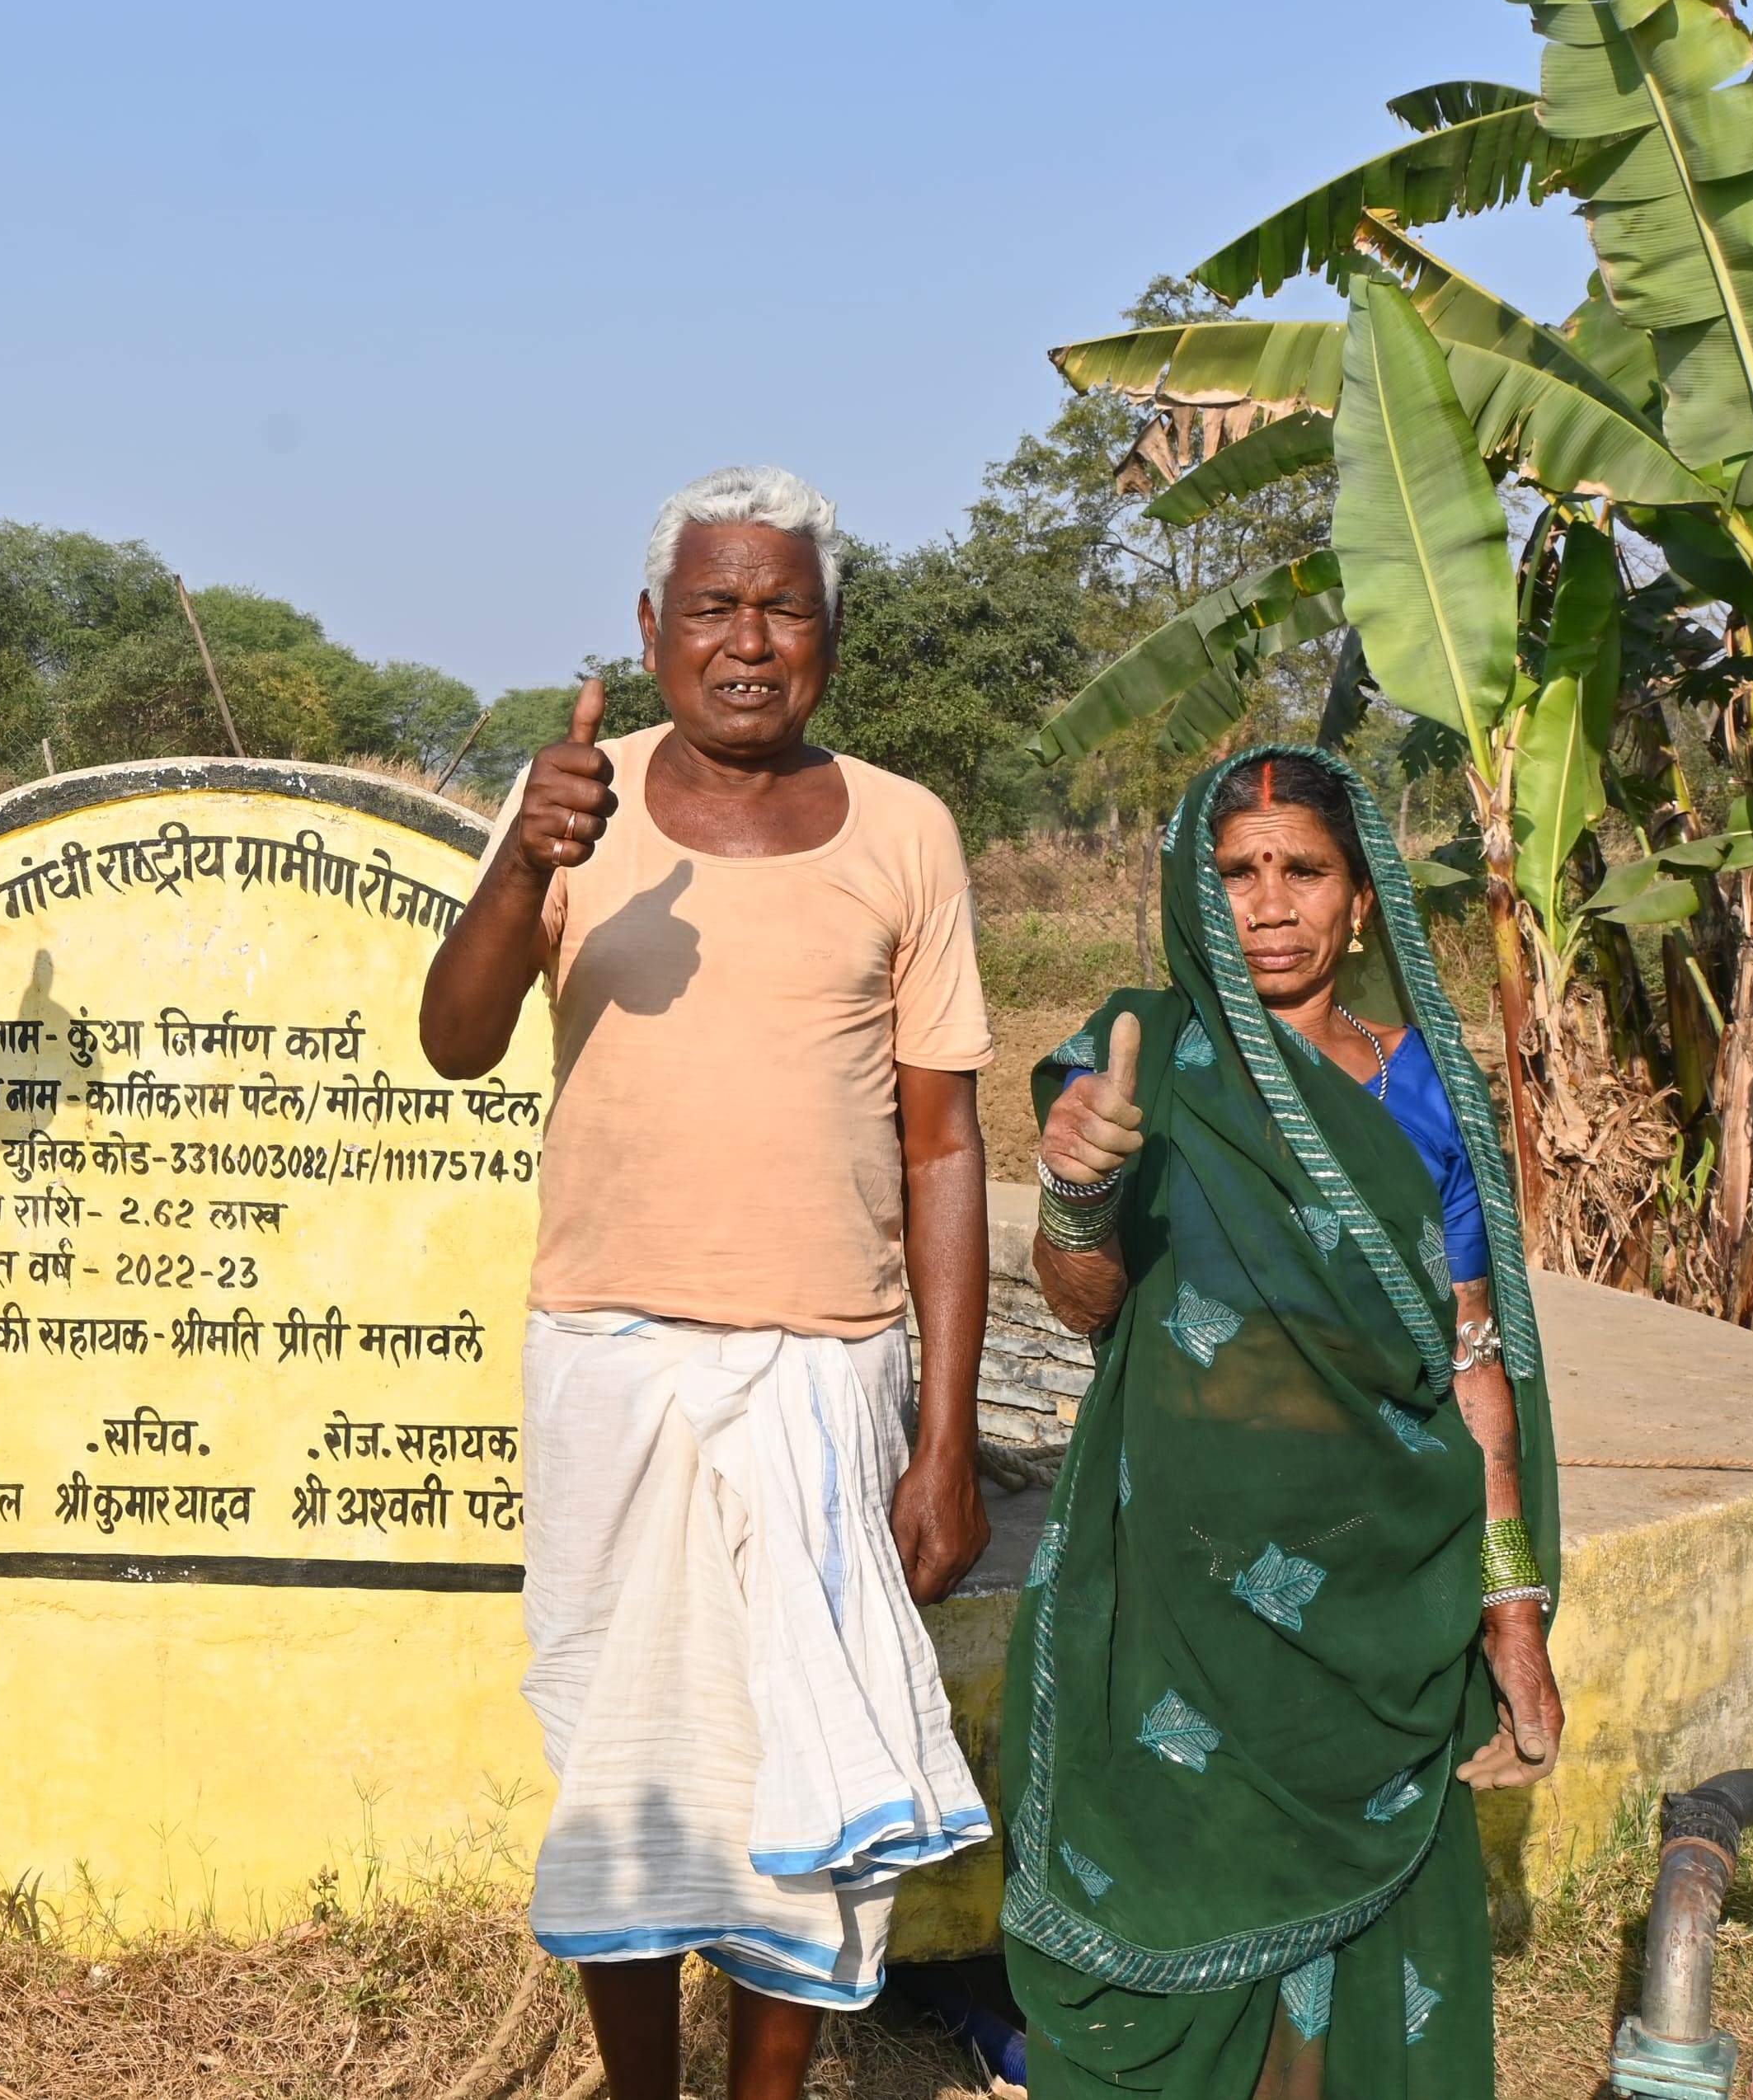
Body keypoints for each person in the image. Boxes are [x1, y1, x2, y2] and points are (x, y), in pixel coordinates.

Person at [419, 465, 997, 2100]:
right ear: (650, 629)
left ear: (829, 631)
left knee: (803, 1776)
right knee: (625, 1761)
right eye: (712, 606)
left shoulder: (903, 830)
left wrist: (942, 1439)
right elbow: (455, 1041)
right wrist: (525, 862)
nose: (746, 639)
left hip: (827, 1373)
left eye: (781, 605)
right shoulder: (568, 803)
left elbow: (943, 1143)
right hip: (608, 1362)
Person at [1002, 745, 1565, 2098]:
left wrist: (1514, 1618)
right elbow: (1083, 1305)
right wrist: (1081, 1189)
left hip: (1382, 1607)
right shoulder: (1143, 1061)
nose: (1267, 903)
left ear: (1359, 901)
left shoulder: (1429, 1093)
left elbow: (1473, 1366)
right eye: (1236, 873)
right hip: (1183, 1608)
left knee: (1354, 2006)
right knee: (1165, 1942)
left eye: (1301, 870)